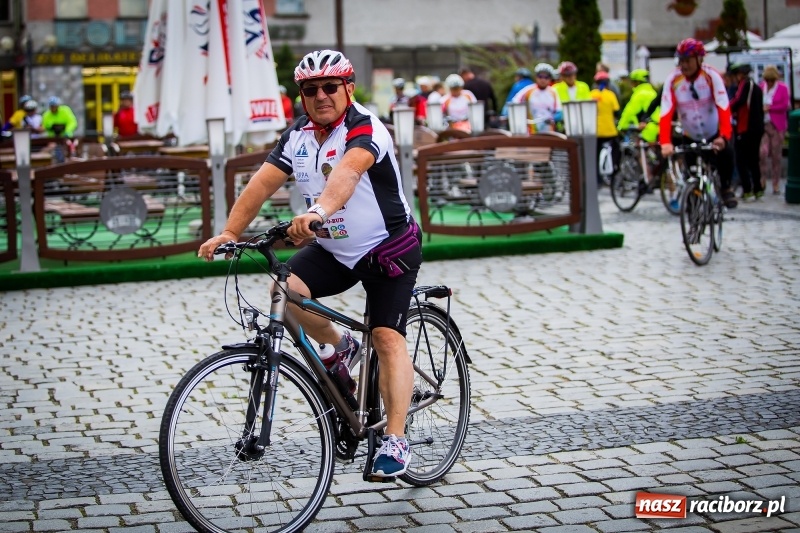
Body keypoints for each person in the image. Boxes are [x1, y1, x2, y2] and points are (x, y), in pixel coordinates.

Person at [197, 49, 419, 478]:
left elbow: (349, 174)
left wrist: (317, 211)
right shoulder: (297, 135)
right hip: (335, 246)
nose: (320, 96)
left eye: (329, 87)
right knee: (285, 294)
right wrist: (229, 232)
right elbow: (262, 182)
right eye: (310, 89)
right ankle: (341, 347)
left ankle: (396, 438)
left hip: (387, 247)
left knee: (387, 338)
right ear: (301, 94)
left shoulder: (364, 128)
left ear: (348, 88)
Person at [660, 38, 737, 209]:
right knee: (691, 175)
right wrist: (665, 142)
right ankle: (692, 215)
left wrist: (723, 136)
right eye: (681, 61)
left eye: (687, 60)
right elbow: (665, 112)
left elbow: (724, 107)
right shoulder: (673, 80)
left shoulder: (711, 76)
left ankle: (725, 188)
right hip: (690, 135)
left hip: (713, 133)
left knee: (728, 154)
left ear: (699, 59)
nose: (684, 65)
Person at [729, 63, 764, 201]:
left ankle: (747, 189)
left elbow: (738, 101)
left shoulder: (745, 85)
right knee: (753, 160)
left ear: (740, 74)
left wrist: (726, 107)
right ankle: (758, 189)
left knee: (741, 159)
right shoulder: (756, 87)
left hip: (746, 128)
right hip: (756, 128)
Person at [759, 65, 790, 195]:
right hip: (764, 125)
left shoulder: (782, 88)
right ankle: (762, 180)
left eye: (771, 80)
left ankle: (776, 183)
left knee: (776, 156)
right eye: (767, 80)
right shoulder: (761, 87)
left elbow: (785, 105)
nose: (769, 83)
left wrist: (769, 108)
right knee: (762, 152)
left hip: (777, 126)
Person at [512, 63, 561, 133]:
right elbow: (514, 103)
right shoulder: (528, 90)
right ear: (536, 77)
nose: (543, 80)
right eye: (540, 76)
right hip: (531, 132)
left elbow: (559, 112)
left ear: (550, 79)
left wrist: (552, 119)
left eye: (546, 77)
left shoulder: (553, 92)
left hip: (550, 133)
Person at [591, 71, 620, 186]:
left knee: (595, 155)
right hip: (609, 130)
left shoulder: (591, 94)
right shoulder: (610, 95)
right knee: (615, 152)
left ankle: (598, 179)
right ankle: (613, 174)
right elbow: (617, 111)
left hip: (596, 130)